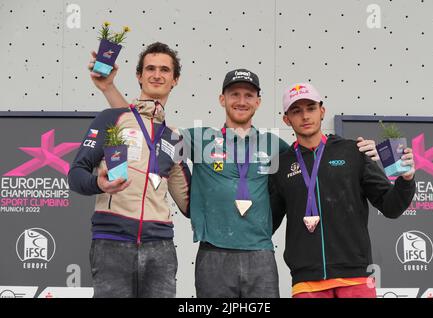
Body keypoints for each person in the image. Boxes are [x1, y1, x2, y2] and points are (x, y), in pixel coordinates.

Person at [90, 53, 380, 297]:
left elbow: (315, 153)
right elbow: (146, 127)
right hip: (213, 255)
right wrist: (108, 89)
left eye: (248, 95)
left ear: (258, 102)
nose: (241, 101)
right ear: (222, 99)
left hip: (261, 256)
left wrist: (357, 149)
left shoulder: (276, 147)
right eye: (234, 94)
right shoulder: (200, 138)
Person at [269, 82, 416, 298]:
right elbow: (266, 224)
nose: (305, 116)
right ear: (286, 119)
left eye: (310, 108)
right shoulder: (280, 166)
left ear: (322, 111)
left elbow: (391, 206)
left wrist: (407, 178)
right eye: (296, 111)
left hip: (355, 277)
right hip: (307, 282)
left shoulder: (353, 152)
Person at [68, 42, 191, 298]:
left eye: (165, 70)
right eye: (150, 68)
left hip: (161, 248)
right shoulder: (112, 118)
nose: (157, 75)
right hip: (111, 243)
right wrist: (99, 184)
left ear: (175, 80)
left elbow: (191, 204)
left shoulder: (175, 138)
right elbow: (76, 173)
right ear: (139, 75)